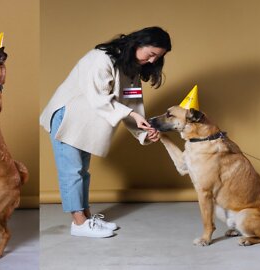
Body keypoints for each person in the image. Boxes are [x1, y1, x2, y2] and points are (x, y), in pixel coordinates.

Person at [40, 26, 172, 238]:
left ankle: (87, 217)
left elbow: (133, 103)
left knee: (82, 171)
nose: (153, 61)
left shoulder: (132, 70)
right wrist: (132, 115)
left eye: (158, 58)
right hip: (69, 116)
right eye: (152, 54)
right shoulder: (100, 58)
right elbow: (98, 98)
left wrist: (144, 132)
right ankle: (79, 224)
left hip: (87, 122)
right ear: (138, 44)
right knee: (71, 171)